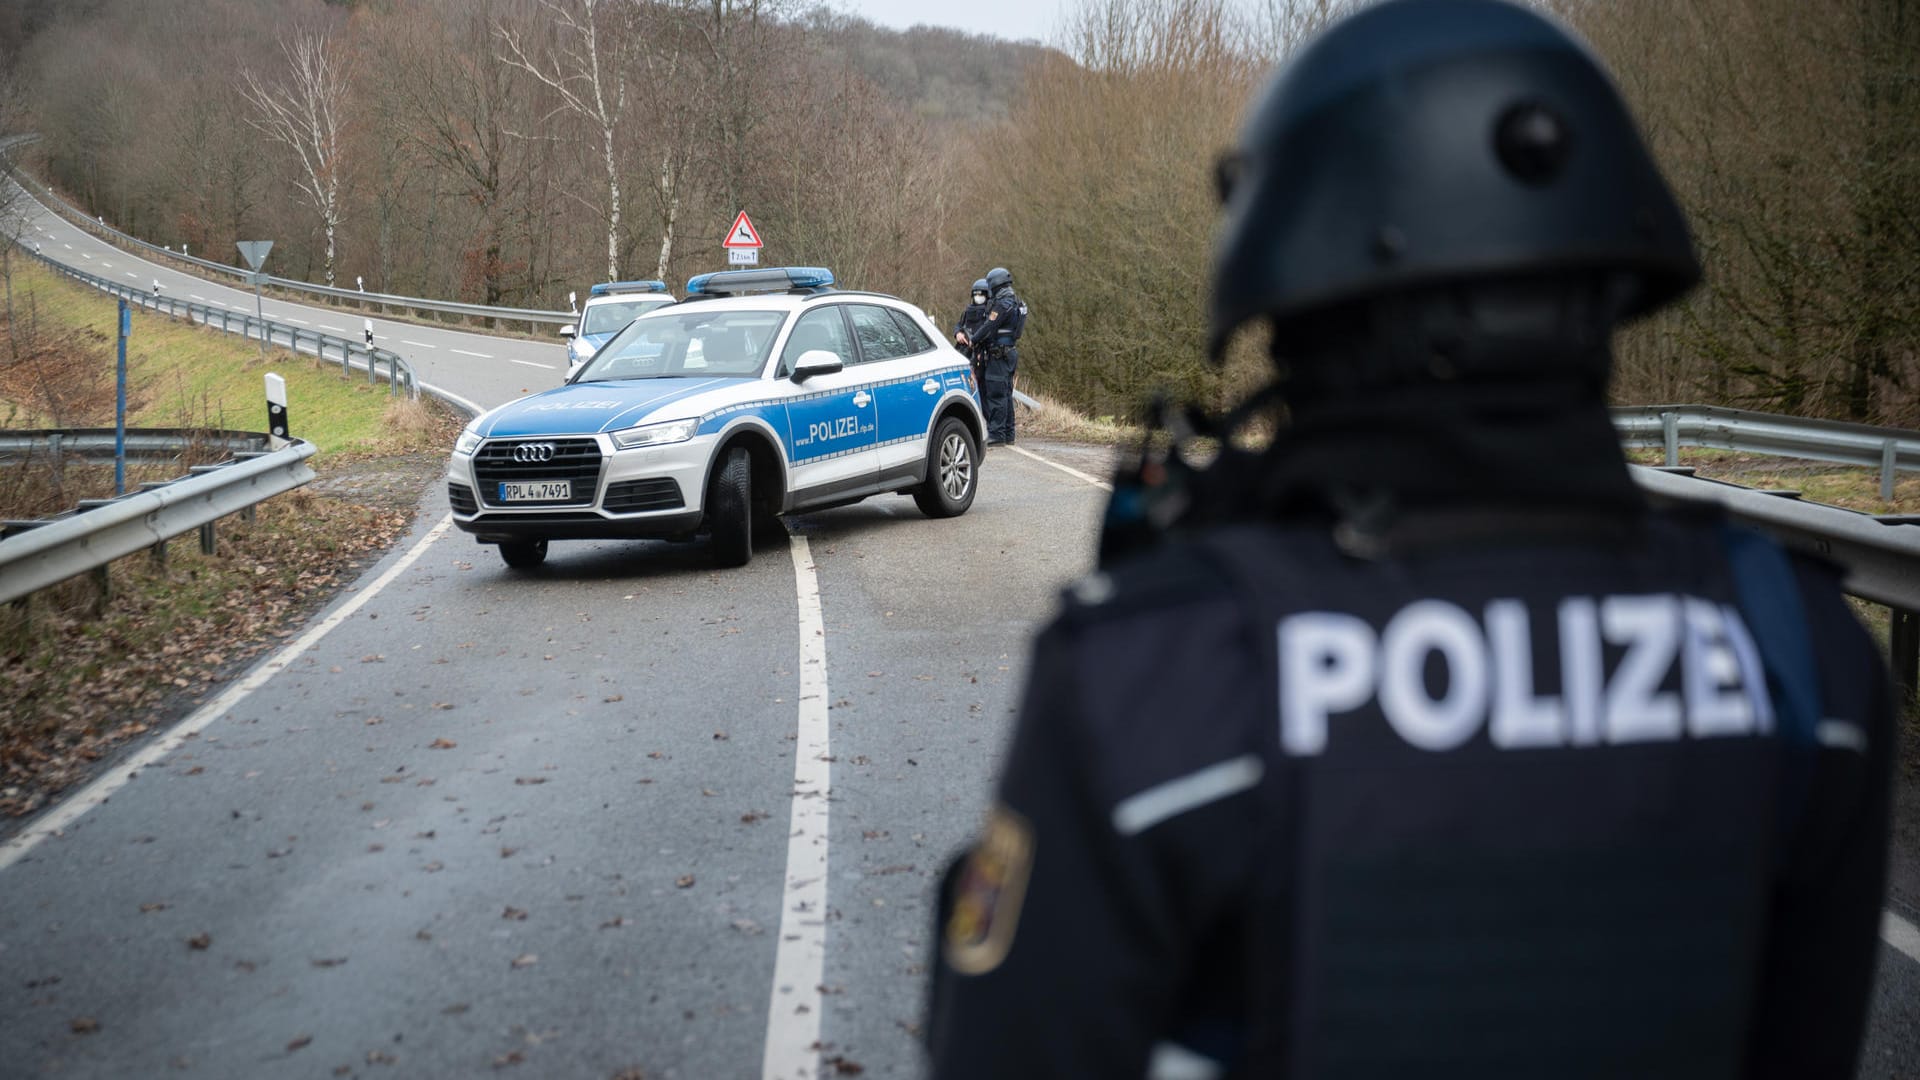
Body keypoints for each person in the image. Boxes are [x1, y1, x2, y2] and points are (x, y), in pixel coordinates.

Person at [924, 2, 1895, 1077]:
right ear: (1609, 274)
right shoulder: (1807, 660)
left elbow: (1007, 1043)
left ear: (1294, 291)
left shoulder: (1150, 673)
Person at [964, 266, 1024, 445]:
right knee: (1005, 394)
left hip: (999, 356)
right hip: (1008, 354)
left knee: (996, 394)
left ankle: (997, 434)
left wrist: (974, 340)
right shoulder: (1015, 301)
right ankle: (1008, 433)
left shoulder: (1003, 303)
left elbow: (990, 325)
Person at [955, 278, 991, 389]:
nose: (978, 298)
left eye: (981, 295)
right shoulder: (968, 311)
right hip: (967, 353)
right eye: (976, 295)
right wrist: (958, 334)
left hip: (983, 354)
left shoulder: (990, 312)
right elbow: (959, 325)